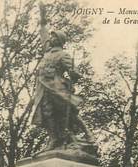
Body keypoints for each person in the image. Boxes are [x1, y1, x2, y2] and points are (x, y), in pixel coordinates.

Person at [32, 1, 94, 149]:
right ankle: (54, 138)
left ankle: (88, 133)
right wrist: (42, 15)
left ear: (59, 40)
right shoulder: (47, 50)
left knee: (69, 111)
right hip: (43, 87)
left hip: (57, 86)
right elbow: (43, 30)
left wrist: (74, 74)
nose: (50, 38)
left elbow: (73, 71)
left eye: (53, 37)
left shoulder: (63, 55)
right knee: (47, 113)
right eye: (51, 37)